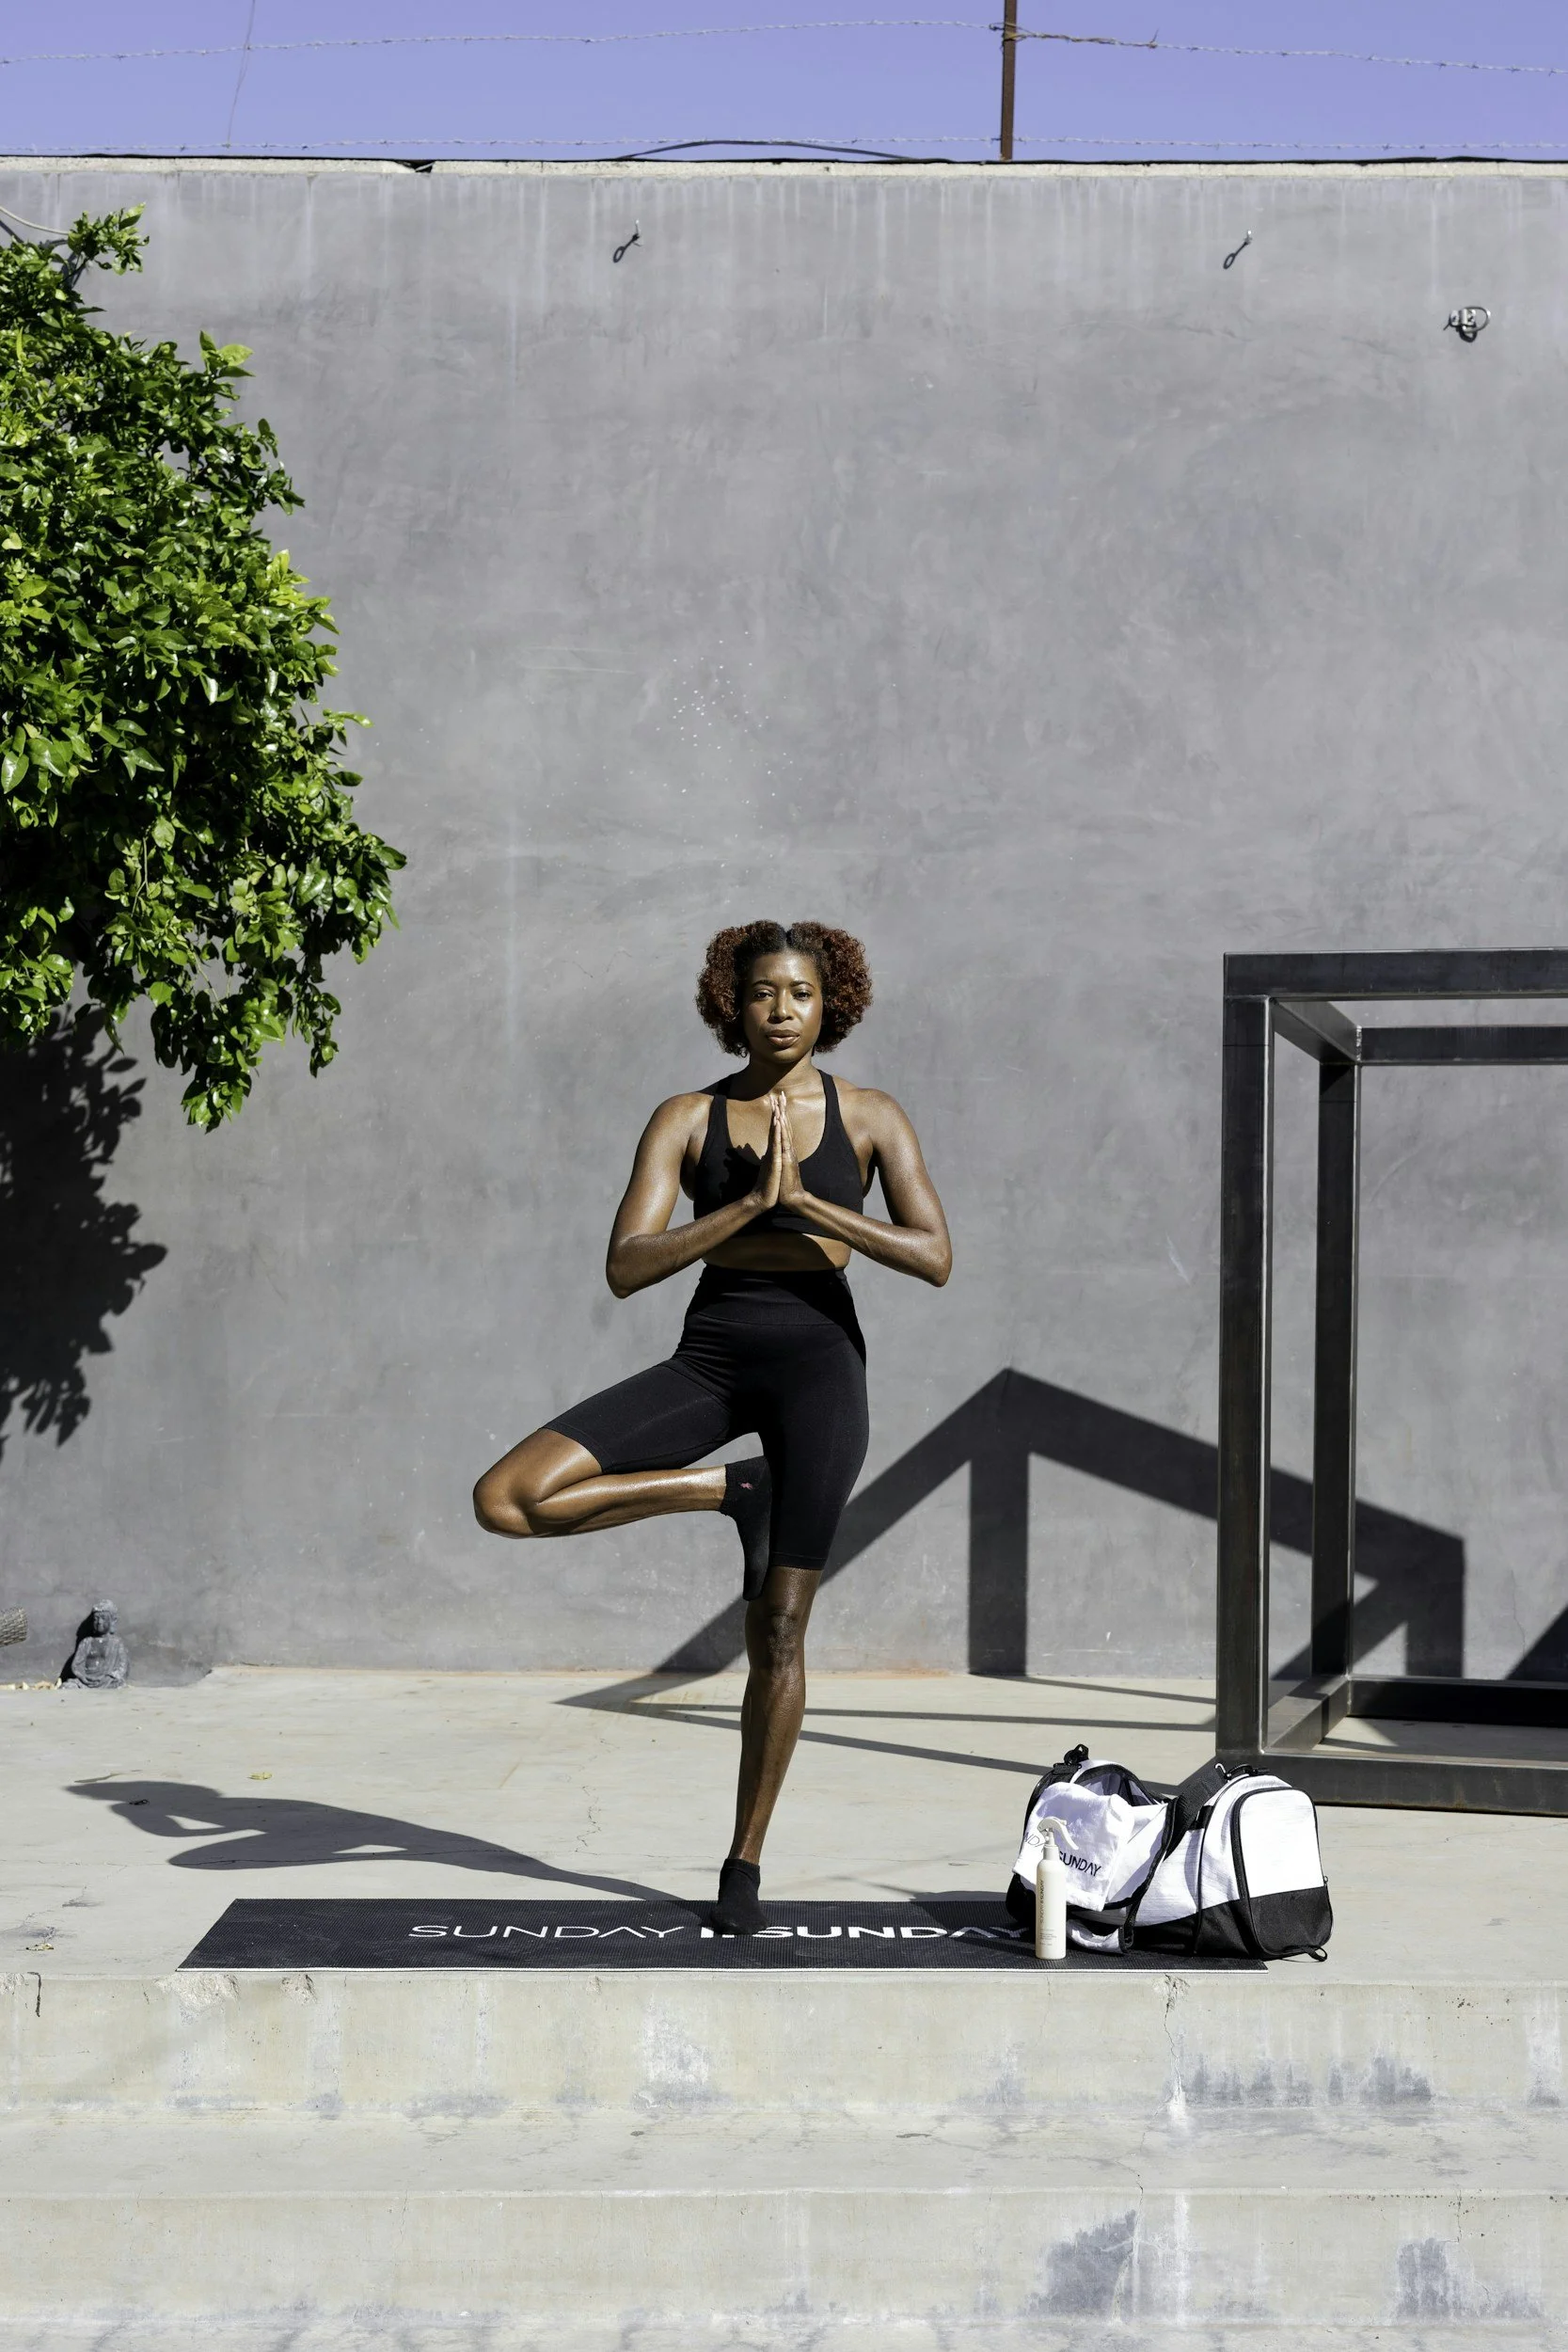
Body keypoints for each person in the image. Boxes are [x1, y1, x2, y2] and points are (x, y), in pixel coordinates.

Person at [473, 920, 951, 1931]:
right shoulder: (686, 1119)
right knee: (507, 1498)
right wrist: (741, 1211)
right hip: (713, 1359)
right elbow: (626, 1263)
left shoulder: (869, 1116)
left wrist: (813, 1209)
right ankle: (731, 1490)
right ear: (729, 1006)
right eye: (762, 994)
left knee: (777, 1627)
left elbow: (933, 1253)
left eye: (800, 994)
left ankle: (742, 1859)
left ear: (833, 1003)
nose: (781, 1010)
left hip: (819, 1372)